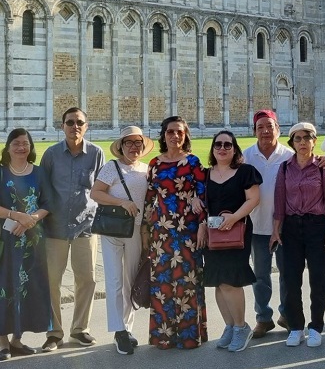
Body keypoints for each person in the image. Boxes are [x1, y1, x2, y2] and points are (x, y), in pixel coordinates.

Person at [0, 128, 53, 360]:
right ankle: (3, 342)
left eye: (25, 143)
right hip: (6, 239)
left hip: (32, 240)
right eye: (16, 143)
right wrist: (18, 216)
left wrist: (31, 219)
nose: (21, 147)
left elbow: (47, 203)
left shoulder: (40, 172)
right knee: (4, 287)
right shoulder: (0, 174)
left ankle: (17, 340)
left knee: (28, 288)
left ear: (31, 147)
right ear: (8, 147)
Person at [40, 107, 104, 350]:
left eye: (79, 122)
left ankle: (80, 329)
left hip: (85, 226)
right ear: (62, 126)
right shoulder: (51, 154)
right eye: (70, 122)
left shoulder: (96, 154)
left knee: (87, 279)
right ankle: (54, 332)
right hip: (54, 226)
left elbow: (100, 188)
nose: (74, 126)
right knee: (51, 281)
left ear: (86, 126)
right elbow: (43, 190)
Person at [143, 116, 208, 349]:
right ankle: (165, 335)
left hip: (188, 231)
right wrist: (145, 232)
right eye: (170, 132)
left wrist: (202, 225)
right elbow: (150, 199)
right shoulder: (154, 164)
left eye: (179, 132)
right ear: (164, 135)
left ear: (185, 135)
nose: (175, 136)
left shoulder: (193, 162)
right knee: (162, 283)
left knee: (187, 282)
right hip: (161, 232)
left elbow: (202, 196)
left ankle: (189, 335)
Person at [272, 122, 325, 348]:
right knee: (290, 279)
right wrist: (275, 230)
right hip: (290, 228)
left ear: (313, 141)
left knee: (318, 279)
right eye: (297, 139)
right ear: (292, 142)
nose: (302, 142)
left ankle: (316, 326)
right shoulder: (284, 168)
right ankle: (296, 327)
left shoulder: (322, 167)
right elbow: (279, 201)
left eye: (306, 138)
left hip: (317, 226)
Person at [91, 126, 153, 355]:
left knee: (130, 280)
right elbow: (95, 193)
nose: (134, 147)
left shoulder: (147, 170)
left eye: (138, 143)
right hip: (113, 229)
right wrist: (121, 203)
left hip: (136, 230)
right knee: (115, 279)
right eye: (129, 143)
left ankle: (127, 327)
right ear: (121, 146)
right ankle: (118, 330)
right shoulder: (112, 167)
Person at [203, 130, 262, 352]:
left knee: (231, 281)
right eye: (218, 144)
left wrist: (235, 217)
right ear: (213, 148)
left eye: (228, 145)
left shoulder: (245, 171)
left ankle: (241, 327)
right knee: (218, 281)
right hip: (213, 233)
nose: (222, 148)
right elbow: (201, 202)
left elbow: (254, 199)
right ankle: (229, 325)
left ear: (235, 149)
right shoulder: (206, 174)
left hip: (237, 231)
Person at [241, 109, 292, 337]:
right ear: (254, 131)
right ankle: (263, 318)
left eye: (269, 126)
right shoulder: (246, 156)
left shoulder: (289, 156)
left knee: (287, 272)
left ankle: (287, 314)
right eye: (260, 127)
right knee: (260, 275)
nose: (265, 131)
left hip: (285, 226)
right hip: (257, 225)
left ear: (277, 129)